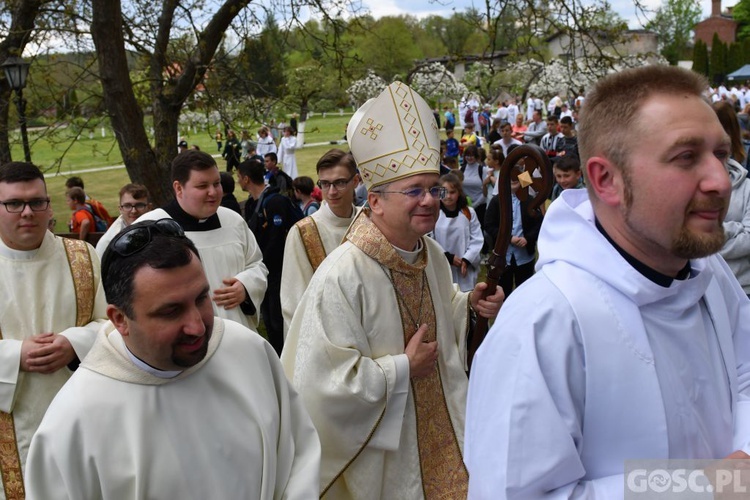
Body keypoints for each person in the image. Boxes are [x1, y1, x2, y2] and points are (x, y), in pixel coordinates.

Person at [465, 65, 750, 498]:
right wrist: (710, 487)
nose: (719, 180)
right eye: (686, 157)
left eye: (721, 154)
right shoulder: (543, 323)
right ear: (606, 179)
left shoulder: (710, 274)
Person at [282, 81, 504, 499]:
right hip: (388, 457)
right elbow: (319, 387)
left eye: (434, 189)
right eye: (414, 191)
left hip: (448, 434)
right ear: (376, 200)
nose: (430, 201)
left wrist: (470, 306)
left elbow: (444, 310)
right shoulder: (342, 276)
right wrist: (401, 368)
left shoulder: (431, 254)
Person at [26, 220, 321, 499]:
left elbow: (298, 459)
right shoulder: (74, 422)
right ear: (120, 319)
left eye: (201, 298)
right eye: (170, 311)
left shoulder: (248, 351)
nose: (197, 326)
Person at [0, 162, 106, 498]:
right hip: (10, 423)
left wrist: (74, 343)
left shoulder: (83, 258)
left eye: (37, 202)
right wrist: (15, 354)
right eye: (14, 203)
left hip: (82, 411)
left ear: (49, 205)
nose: (27, 212)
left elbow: (115, 327)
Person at [136, 150, 268, 330]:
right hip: (183, 338)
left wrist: (245, 286)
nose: (213, 192)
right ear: (179, 188)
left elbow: (256, 264)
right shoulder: (150, 229)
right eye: (202, 186)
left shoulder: (233, 221)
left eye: (216, 183)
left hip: (238, 334)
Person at [280, 149, 360, 334]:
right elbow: (294, 302)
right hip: (325, 335)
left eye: (340, 182)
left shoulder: (369, 224)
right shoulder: (303, 232)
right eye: (325, 184)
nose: (331, 192)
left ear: (355, 181)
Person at [241, 159, 302, 355]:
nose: (238, 182)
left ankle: (288, 359)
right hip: (266, 272)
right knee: (269, 319)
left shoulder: (274, 201)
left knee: (278, 320)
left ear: (246, 179)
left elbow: (276, 240)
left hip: (280, 272)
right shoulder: (253, 204)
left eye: (239, 178)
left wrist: (261, 265)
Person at [713, 101, 750, 298]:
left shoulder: (745, 187)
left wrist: (712, 236)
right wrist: (736, 229)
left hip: (744, 287)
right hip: (707, 288)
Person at [432, 172, 483, 292]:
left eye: (452, 192)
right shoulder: (434, 213)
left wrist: (466, 259)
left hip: (464, 269)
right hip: (443, 265)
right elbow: (429, 238)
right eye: (444, 192)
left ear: (459, 192)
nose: (448, 196)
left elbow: (477, 239)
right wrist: (447, 257)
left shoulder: (468, 213)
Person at [95, 183, 153, 257]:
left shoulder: (161, 229)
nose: (134, 211)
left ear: (149, 207)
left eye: (139, 205)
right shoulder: (108, 243)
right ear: (120, 209)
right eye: (127, 206)